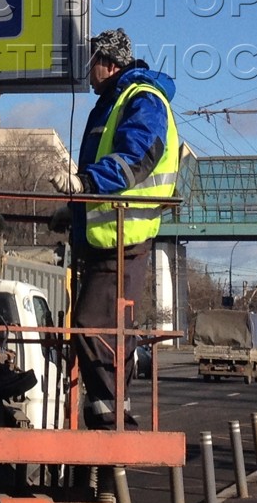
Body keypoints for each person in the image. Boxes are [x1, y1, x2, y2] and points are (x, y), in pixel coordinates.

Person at [51, 29, 178, 429]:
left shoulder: (143, 99)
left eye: (90, 65)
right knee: (99, 326)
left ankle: (112, 418)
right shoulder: (113, 103)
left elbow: (135, 155)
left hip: (124, 238)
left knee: (95, 325)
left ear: (108, 63)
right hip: (107, 238)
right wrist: (73, 210)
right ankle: (107, 413)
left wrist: (86, 184)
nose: (86, 75)